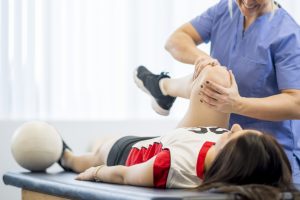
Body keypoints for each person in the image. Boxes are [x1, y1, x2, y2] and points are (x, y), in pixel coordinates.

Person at [57, 65, 295, 199]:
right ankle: (162, 88)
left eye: (235, 135)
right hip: (177, 139)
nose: (236, 126)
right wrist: (204, 68)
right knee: (216, 76)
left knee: (97, 152)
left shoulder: (172, 166)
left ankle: (69, 158)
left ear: (230, 159)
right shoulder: (219, 146)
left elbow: (123, 175)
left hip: (129, 153)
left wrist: (97, 171)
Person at [134, 0, 300, 183]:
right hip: (224, 151)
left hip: (267, 158)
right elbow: (175, 41)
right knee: (214, 76)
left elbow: (296, 103)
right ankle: (164, 87)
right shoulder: (225, 9)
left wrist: (238, 104)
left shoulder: (287, 34)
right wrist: (205, 61)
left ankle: (163, 87)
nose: (245, 3)